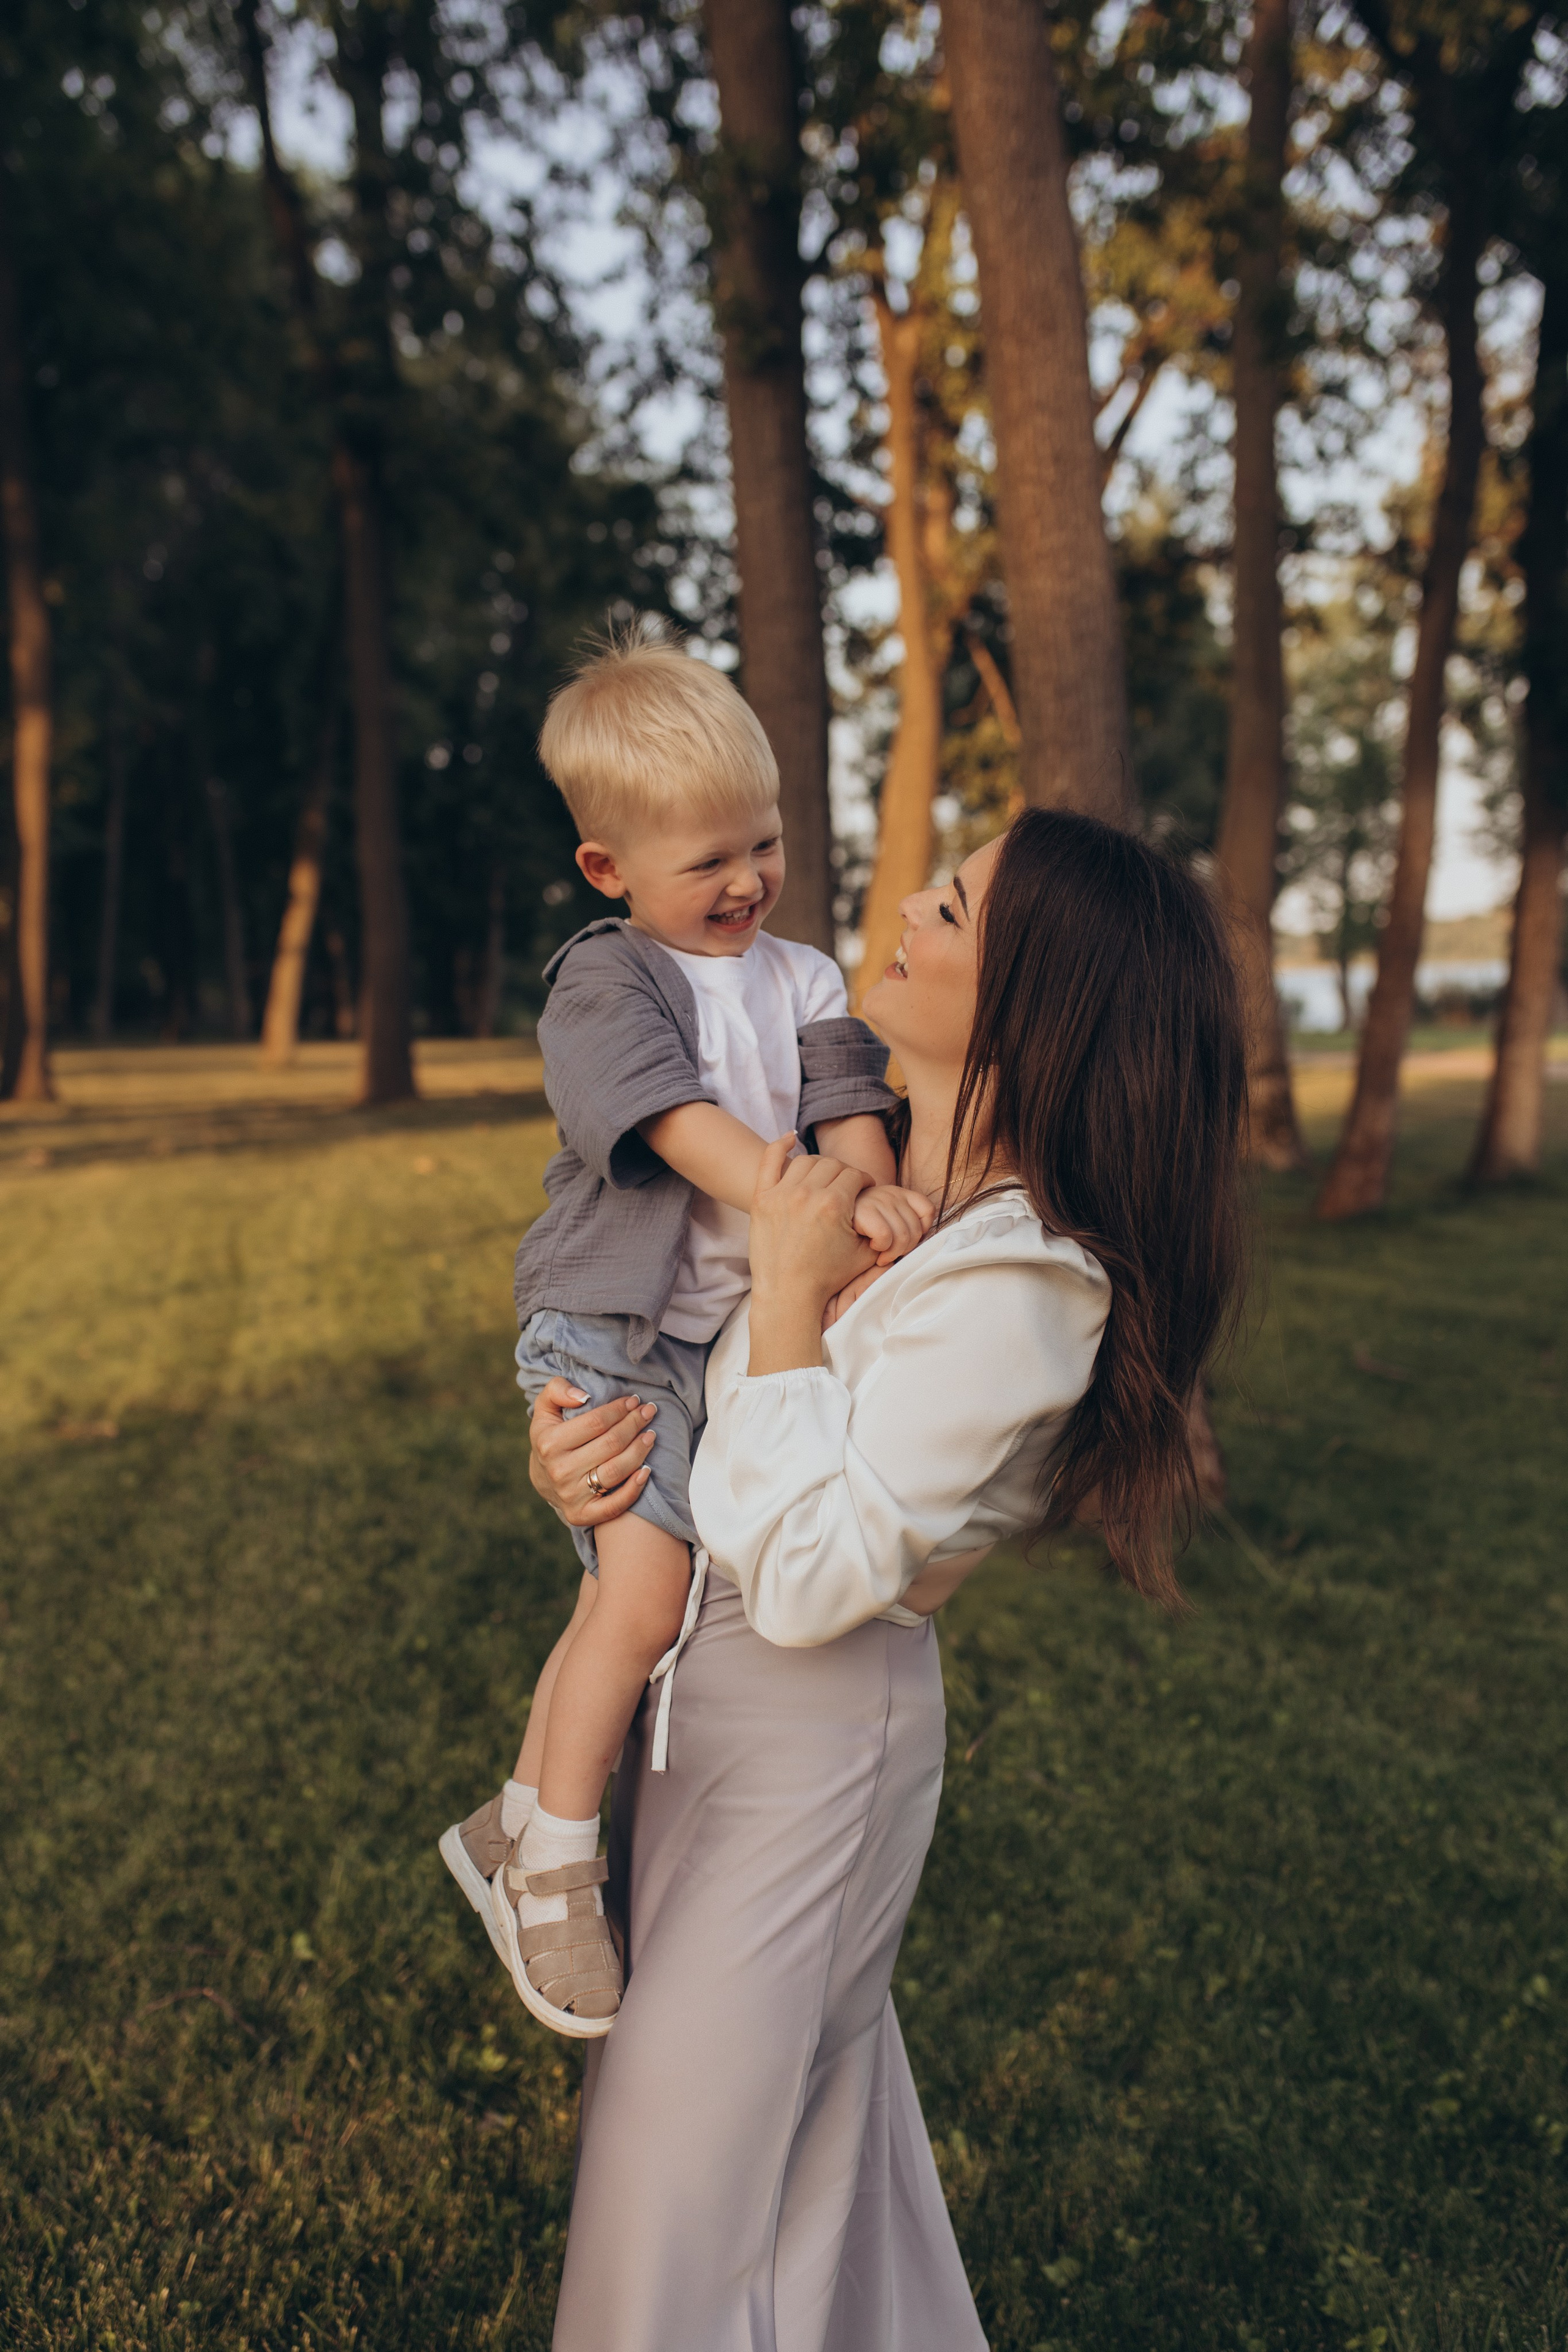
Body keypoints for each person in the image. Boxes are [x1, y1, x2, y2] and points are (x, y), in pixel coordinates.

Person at [525, 806, 1248, 2350]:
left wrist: (787, 1294)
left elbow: (802, 1580)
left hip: (810, 1744)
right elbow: (695, 1394)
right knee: (784, 2178)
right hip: (702, 1723)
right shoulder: (883, 1191)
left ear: (1039, 998)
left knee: (676, 2209)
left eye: (960, 910)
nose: (912, 903)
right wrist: (581, 1448)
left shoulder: (1025, 1279)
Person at [439, 622, 934, 2037]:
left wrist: (876, 1197)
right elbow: (665, 1120)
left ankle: (509, 1824)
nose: (745, 883)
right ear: (609, 871)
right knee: (643, 1601)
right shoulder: (607, 980)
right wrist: (799, 1195)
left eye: (763, 845)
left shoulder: (803, 977)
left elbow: (848, 1099)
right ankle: (549, 1866)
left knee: (635, 1604)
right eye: (707, 860)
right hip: (611, 1333)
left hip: (720, 1340)